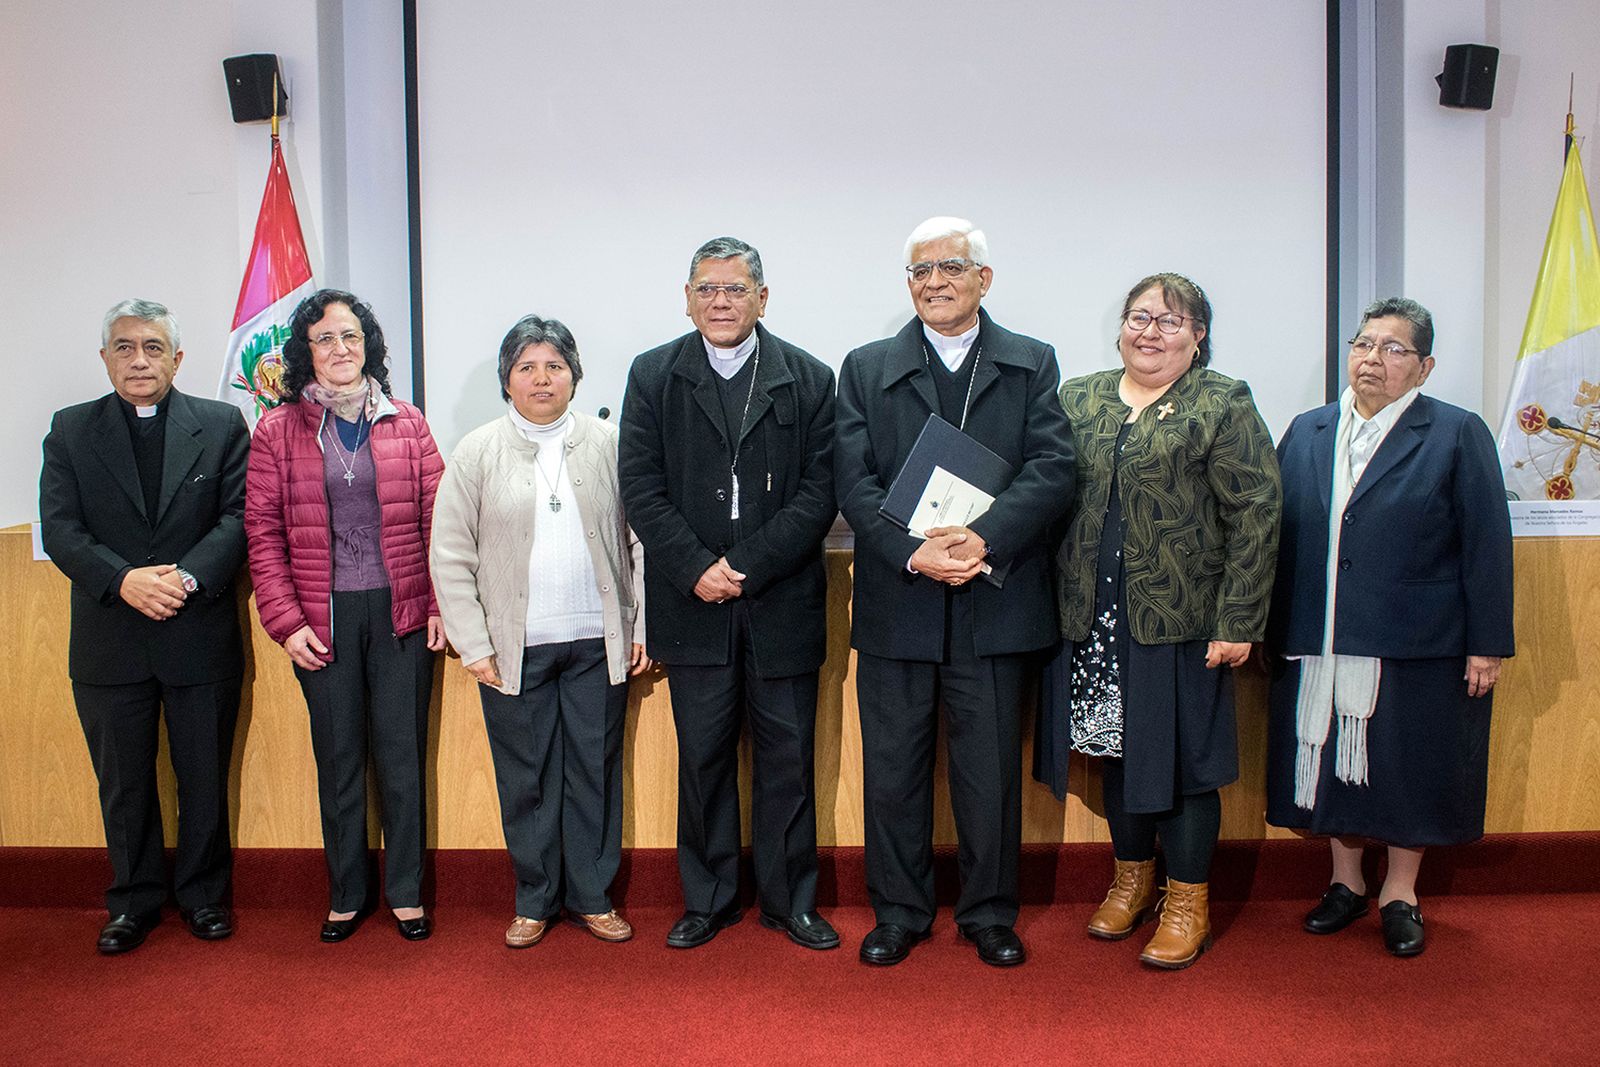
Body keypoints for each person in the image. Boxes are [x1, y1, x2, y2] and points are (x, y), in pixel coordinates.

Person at [836, 217, 1075, 967]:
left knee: (989, 773)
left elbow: (1053, 467)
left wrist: (985, 537)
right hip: (899, 600)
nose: (934, 283)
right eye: (920, 271)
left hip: (993, 599)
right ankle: (898, 912)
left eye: (951, 268)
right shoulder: (866, 367)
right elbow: (852, 478)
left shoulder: (1031, 361)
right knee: (893, 772)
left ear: (984, 279)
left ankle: (990, 913)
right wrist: (913, 552)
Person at [1265, 297, 1514, 957]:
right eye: (1364, 344)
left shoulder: (1455, 432)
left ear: (1424, 367)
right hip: (1319, 633)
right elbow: (1277, 532)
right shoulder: (1310, 428)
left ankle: (1400, 893)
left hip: (1417, 641)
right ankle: (1345, 883)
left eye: (1393, 348)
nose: (1372, 359)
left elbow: (1486, 543)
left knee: (1406, 769)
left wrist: (1487, 643)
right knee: (1331, 770)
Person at [1046, 272, 1280, 970]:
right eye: (1139, 316)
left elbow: (1257, 514)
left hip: (1181, 618)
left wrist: (1238, 618)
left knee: (1183, 765)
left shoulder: (1222, 401)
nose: (1150, 331)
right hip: (1092, 617)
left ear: (1198, 336)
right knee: (1119, 753)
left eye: (1170, 321)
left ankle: (1187, 902)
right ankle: (1132, 879)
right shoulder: (1079, 397)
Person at [619, 237, 840, 951]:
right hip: (693, 604)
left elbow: (820, 493)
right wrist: (696, 566)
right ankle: (707, 899)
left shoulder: (809, 377)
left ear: (762, 299)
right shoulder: (653, 374)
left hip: (781, 600)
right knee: (704, 759)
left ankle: (791, 901)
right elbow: (640, 487)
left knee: (788, 762)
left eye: (736, 288)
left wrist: (744, 565)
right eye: (707, 289)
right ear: (687, 299)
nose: (721, 301)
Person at [431, 315, 651, 949]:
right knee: (525, 778)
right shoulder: (476, 452)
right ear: (507, 379)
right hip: (513, 648)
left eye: (555, 365)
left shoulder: (611, 445)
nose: (541, 378)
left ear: (575, 376)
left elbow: (641, 543)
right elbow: (450, 554)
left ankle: (592, 897)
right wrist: (474, 644)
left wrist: (640, 624)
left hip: (597, 643)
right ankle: (534, 899)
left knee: (594, 771)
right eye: (526, 367)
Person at [40, 299, 250, 954]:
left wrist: (182, 579)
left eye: (153, 347)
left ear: (176, 359)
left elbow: (239, 518)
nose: (139, 360)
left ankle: (204, 897)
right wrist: (124, 579)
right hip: (111, 636)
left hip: (197, 629)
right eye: (125, 347)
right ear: (105, 358)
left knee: (203, 777)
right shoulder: (71, 430)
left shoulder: (221, 424)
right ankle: (132, 902)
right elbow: (61, 530)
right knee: (124, 782)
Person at [244, 288, 445, 942]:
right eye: (325, 338)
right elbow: (263, 535)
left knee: (401, 757)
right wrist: (285, 622)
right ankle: (346, 894)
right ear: (306, 351)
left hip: (401, 614)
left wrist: (438, 603)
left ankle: (407, 893)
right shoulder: (277, 430)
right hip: (320, 619)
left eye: (351, 336)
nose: (340, 348)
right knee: (338, 759)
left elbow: (439, 523)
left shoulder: (407, 422)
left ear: (369, 345)